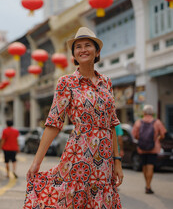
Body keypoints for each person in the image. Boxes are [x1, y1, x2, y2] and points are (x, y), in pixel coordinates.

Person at [24, 27, 123, 208]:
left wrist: (117, 161)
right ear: (74, 55)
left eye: (87, 45)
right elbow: (53, 123)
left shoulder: (106, 83)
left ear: (97, 51)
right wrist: (36, 162)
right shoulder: (66, 83)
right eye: (78, 47)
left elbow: (112, 124)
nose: (83, 49)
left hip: (104, 161)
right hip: (78, 155)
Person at [132, 104, 166, 194]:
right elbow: (163, 134)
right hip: (153, 148)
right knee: (150, 166)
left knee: (144, 166)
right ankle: (148, 185)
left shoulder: (138, 122)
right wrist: (157, 139)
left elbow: (134, 135)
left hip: (142, 148)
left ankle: (146, 184)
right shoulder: (157, 122)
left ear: (144, 112)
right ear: (152, 113)